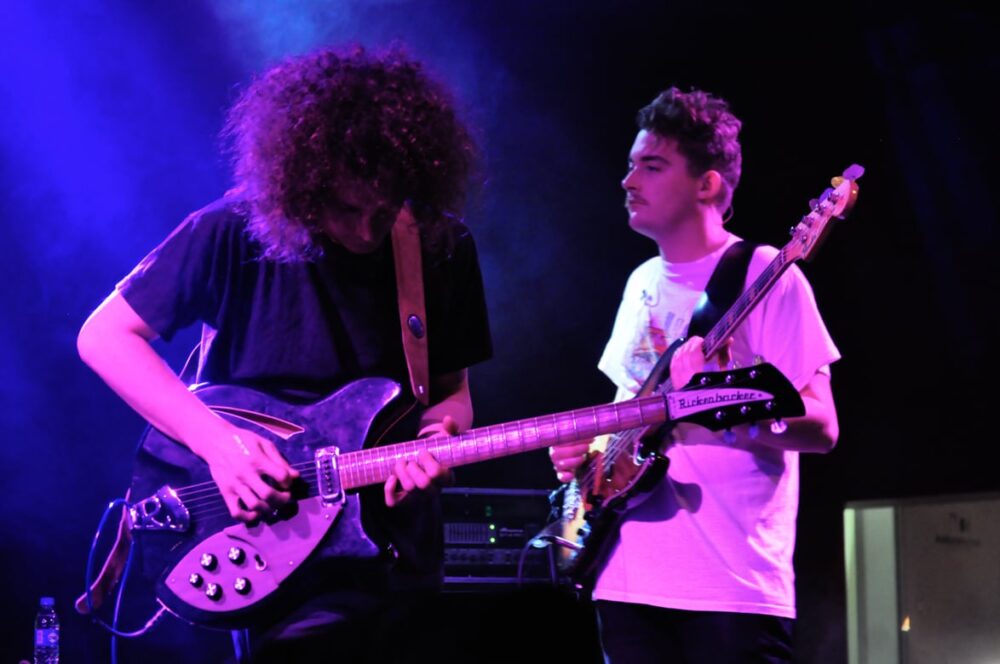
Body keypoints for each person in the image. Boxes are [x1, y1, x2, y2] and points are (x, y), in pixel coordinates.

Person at [77, 46, 492, 662]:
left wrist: (439, 439)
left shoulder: (440, 244)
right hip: (272, 543)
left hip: (399, 550)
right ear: (306, 183)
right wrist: (221, 445)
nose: (366, 231)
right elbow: (103, 336)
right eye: (347, 209)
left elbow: (451, 390)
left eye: (385, 210)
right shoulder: (231, 229)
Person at [549, 87, 840, 662]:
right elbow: (629, 406)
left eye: (652, 166)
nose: (628, 181)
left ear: (707, 184)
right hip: (626, 578)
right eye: (631, 164)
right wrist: (590, 454)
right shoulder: (640, 282)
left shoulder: (767, 274)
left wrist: (722, 404)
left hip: (731, 588)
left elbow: (823, 425)